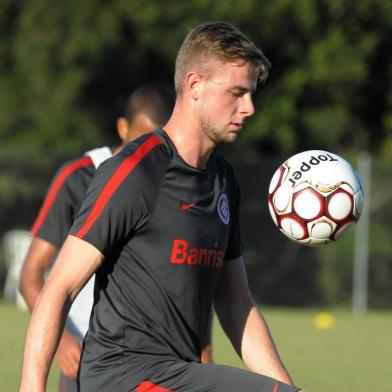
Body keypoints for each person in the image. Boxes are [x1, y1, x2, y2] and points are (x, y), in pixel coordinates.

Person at [20, 21, 306, 392]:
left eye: (251, 94)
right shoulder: (135, 172)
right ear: (194, 85)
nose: (249, 107)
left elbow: (237, 306)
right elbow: (58, 288)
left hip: (178, 375)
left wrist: (288, 388)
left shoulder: (222, 180)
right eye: (236, 93)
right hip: (123, 378)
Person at [19, 83, 176, 392]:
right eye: (142, 135)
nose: (150, 147)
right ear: (122, 126)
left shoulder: (170, 185)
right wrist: (63, 340)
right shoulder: (79, 177)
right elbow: (30, 275)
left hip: (151, 359)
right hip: (86, 357)